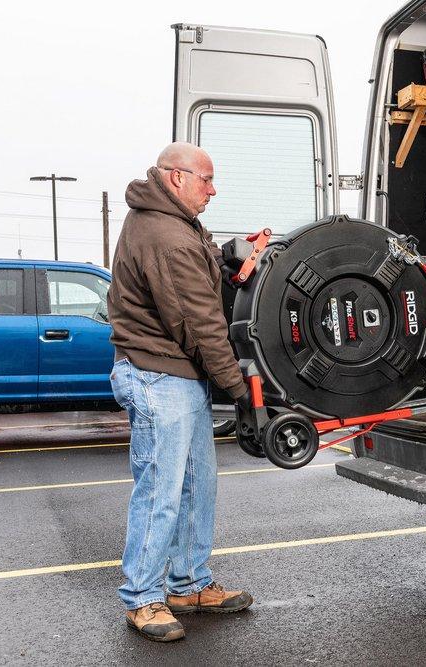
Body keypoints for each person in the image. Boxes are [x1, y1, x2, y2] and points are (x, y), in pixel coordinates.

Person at [107, 142, 254, 642]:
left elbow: (202, 275)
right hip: (158, 377)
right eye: (206, 180)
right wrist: (239, 389)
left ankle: (189, 583)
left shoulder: (171, 222)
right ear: (175, 178)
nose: (214, 190)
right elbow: (200, 323)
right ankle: (143, 599)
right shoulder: (166, 235)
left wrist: (230, 259)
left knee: (196, 487)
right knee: (161, 493)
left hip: (177, 375)